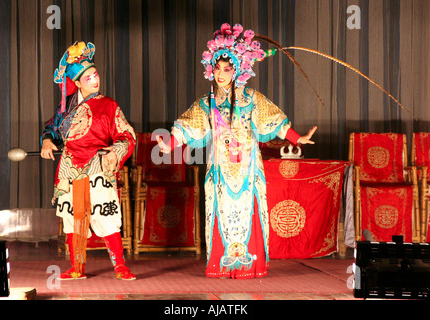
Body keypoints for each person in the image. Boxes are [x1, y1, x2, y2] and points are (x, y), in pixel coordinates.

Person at [157, 23, 317, 279]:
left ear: (238, 69)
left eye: (227, 69)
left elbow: (271, 120)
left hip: (248, 168)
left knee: (248, 210)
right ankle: (221, 264)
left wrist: (297, 138)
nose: (221, 74)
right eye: (217, 68)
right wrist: (170, 143)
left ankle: (250, 265)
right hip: (220, 168)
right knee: (220, 210)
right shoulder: (208, 102)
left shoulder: (251, 98)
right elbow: (190, 126)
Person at [40, 41, 137, 280]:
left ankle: (120, 267)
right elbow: (51, 129)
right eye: (88, 78)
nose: (95, 81)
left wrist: (115, 150)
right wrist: (47, 141)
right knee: (73, 218)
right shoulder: (65, 108)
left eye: (96, 75)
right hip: (70, 167)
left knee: (106, 216)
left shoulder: (108, 105)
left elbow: (127, 134)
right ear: (75, 83)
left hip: (97, 165)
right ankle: (77, 267)